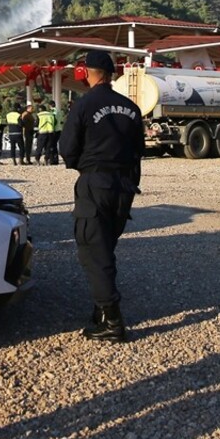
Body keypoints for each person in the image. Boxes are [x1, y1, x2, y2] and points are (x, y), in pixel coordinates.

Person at [59, 50, 144, 343]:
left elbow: (67, 149)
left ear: (87, 72)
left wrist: (84, 164)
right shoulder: (131, 108)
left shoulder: (84, 105)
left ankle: (112, 320)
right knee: (106, 246)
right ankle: (100, 308)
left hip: (95, 183)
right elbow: (138, 151)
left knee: (92, 251)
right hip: (125, 186)